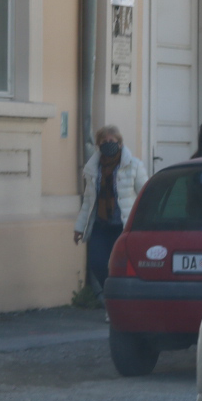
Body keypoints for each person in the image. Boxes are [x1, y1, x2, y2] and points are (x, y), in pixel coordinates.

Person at [73, 126, 148, 304]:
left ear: (120, 144)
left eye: (112, 142)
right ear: (98, 145)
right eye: (104, 142)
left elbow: (145, 195)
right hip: (100, 224)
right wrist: (79, 227)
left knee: (121, 266)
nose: (108, 145)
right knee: (97, 263)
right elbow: (88, 201)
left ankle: (122, 302)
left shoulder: (133, 165)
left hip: (124, 226)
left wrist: (144, 223)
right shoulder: (92, 169)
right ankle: (112, 300)